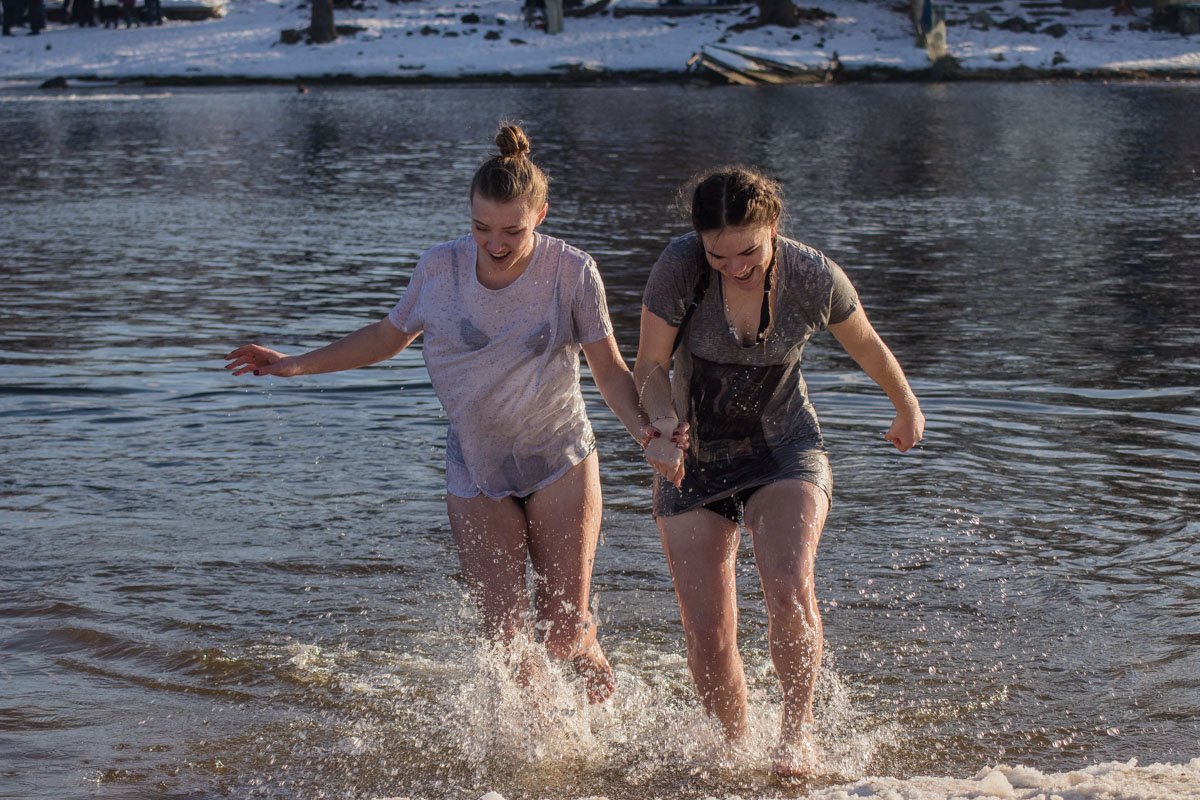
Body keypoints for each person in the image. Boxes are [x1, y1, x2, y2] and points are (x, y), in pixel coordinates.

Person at [226, 124, 681, 705]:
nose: (495, 243)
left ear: (541, 215)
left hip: (560, 460)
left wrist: (648, 433)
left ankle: (593, 677)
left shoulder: (572, 271)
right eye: (481, 228)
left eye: (513, 230)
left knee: (562, 634)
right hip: (476, 468)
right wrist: (294, 364)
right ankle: (539, 752)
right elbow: (386, 338)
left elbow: (610, 370)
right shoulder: (439, 270)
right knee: (507, 644)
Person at [634, 167, 924, 775]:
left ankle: (797, 734)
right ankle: (732, 752)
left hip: (784, 450)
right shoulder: (679, 267)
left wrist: (905, 406)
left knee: (789, 587)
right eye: (718, 255)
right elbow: (650, 365)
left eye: (748, 252)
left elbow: (866, 343)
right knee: (709, 634)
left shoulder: (812, 275)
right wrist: (661, 425)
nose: (734, 267)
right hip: (695, 460)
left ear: (773, 227)